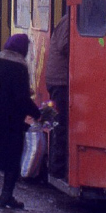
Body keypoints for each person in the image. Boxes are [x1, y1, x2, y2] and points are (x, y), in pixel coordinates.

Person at [0, 33, 40, 210]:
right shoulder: (19, 67)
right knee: (12, 159)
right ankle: (6, 196)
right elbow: (21, 99)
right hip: (10, 121)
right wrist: (37, 112)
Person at [43, 10, 70, 180]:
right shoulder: (71, 20)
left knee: (57, 123)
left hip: (57, 79)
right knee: (60, 124)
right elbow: (64, 45)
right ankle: (56, 169)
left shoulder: (67, 19)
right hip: (60, 80)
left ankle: (56, 166)